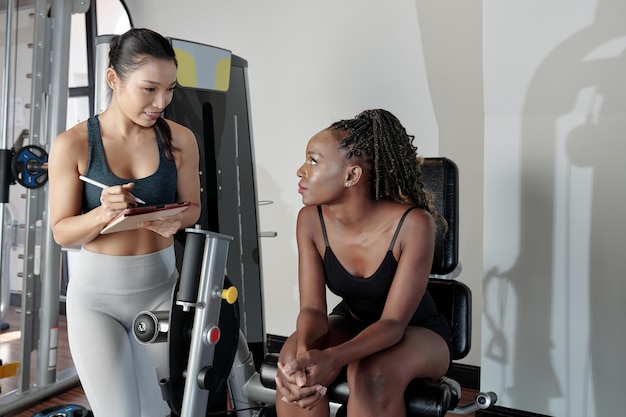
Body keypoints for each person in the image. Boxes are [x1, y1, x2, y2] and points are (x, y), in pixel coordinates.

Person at [48, 28, 201, 417]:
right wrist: (103, 212)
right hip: (97, 301)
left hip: (160, 292)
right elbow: (61, 232)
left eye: (169, 89)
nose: (161, 102)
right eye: (149, 89)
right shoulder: (74, 144)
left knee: (161, 410)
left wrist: (176, 220)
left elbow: (194, 209)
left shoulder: (181, 140)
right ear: (114, 79)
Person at [275, 109, 452, 417]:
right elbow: (314, 310)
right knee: (292, 358)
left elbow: (392, 325)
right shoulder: (311, 220)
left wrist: (333, 358)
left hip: (415, 330)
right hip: (352, 320)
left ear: (351, 175)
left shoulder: (412, 223)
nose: (300, 171)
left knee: (370, 372)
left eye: (313, 161)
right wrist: (305, 352)